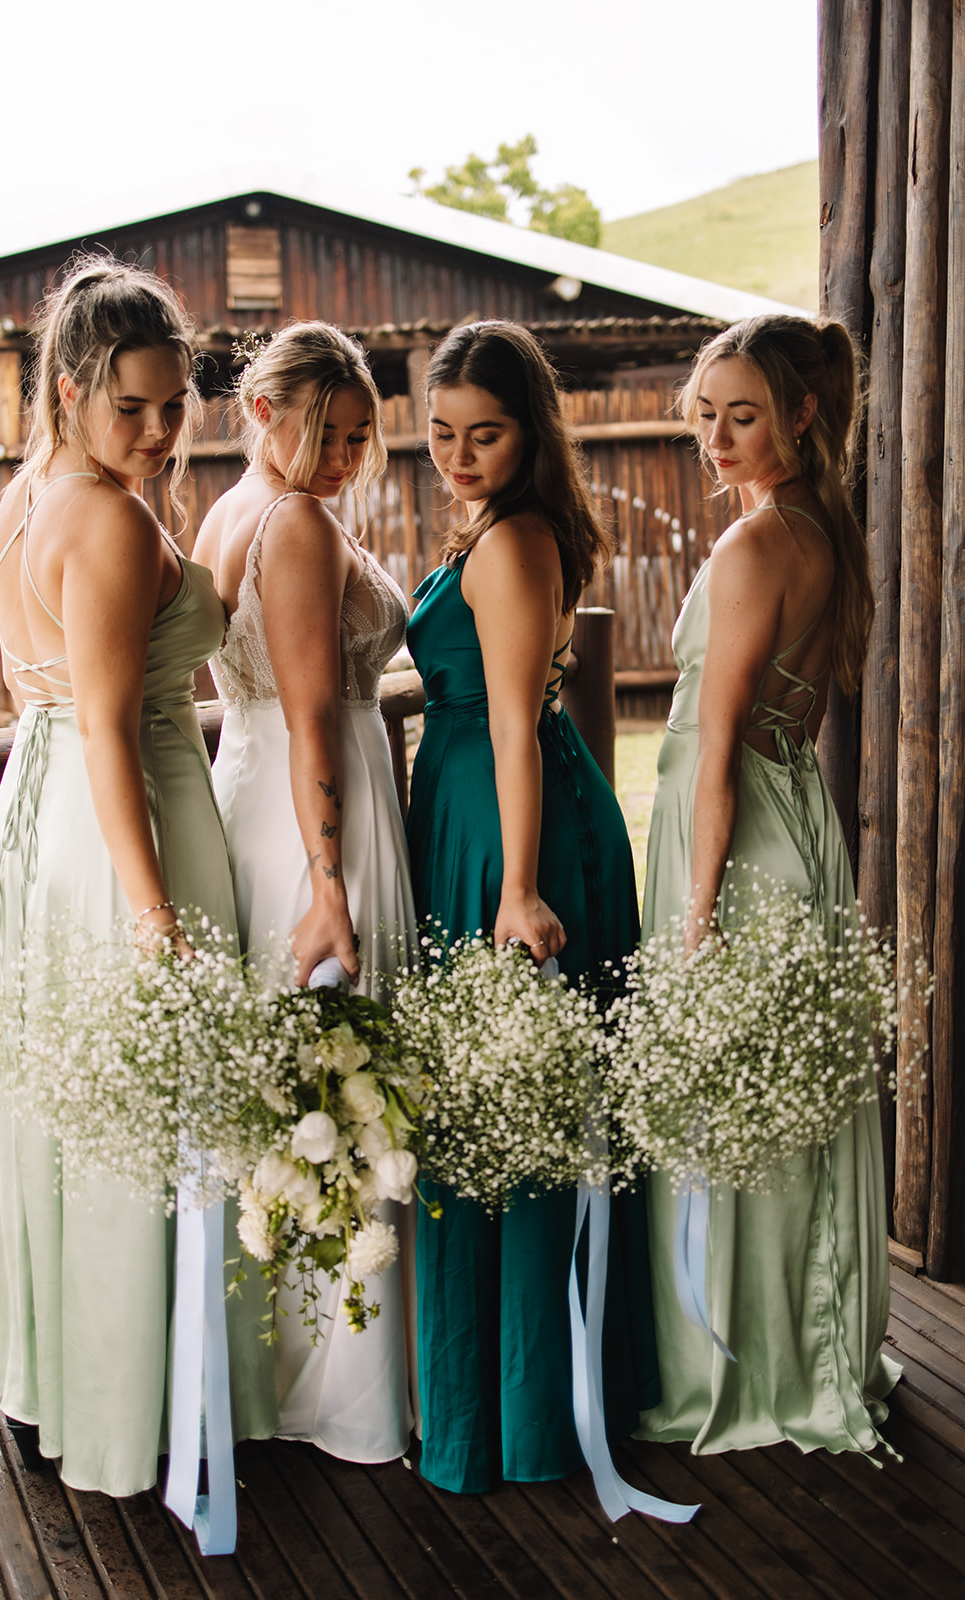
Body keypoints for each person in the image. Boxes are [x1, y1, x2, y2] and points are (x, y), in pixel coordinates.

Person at [0, 257, 276, 1496]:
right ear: (66, 388)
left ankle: (68, 1385)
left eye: (172, 408)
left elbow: (44, 699)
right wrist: (152, 909)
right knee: (142, 1118)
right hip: (121, 822)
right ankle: (134, 1403)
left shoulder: (30, 491)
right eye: (130, 410)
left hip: (45, 814)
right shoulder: (100, 514)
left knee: (79, 1115)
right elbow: (108, 722)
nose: (157, 434)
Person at [635, 313, 900, 1454]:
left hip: (737, 854)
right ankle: (804, 1341)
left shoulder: (751, 549)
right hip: (797, 834)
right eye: (704, 416)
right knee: (781, 1116)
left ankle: (734, 1369)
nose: (716, 438)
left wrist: (690, 928)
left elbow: (717, 751)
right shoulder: (816, 532)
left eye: (741, 415)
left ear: (798, 413)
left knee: (729, 1114)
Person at [405, 320, 659, 1495]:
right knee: (496, 1097)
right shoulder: (494, 525)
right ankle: (506, 1397)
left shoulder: (512, 542)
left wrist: (513, 886)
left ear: (529, 432)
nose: (457, 454)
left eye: (484, 434)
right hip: (480, 803)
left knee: (512, 1101)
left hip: (511, 826)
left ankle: (516, 1415)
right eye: (441, 431)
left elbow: (511, 720)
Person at [193, 320, 417, 1463]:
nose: (341, 455)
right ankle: (330, 1387)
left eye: (359, 436)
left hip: (253, 791)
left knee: (293, 1091)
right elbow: (316, 714)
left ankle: (268, 1364)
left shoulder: (230, 510)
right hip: (312, 817)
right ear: (262, 412)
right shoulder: (291, 522)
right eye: (324, 432)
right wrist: (330, 888)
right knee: (338, 1075)